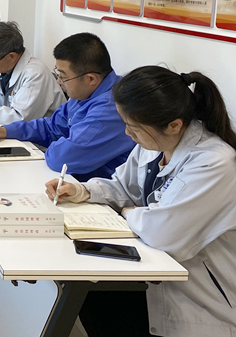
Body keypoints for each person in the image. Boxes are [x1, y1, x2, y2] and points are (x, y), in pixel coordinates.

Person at [47, 66, 236, 337]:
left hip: (198, 301)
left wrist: (129, 213)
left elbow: (164, 233)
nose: (127, 133)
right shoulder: (155, 143)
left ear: (174, 125)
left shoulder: (214, 163)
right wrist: (82, 191)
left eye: (134, 127)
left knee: (90, 297)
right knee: (84, 294)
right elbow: (123, 186)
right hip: (152, 276)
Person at [0, 33, 134, 181]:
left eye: (63, 77)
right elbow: (51, 127)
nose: (59, 82)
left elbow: (61, 158)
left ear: (91, 79)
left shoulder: (109, 110)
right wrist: (6, 130)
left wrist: (58, 145)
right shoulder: (84, 94)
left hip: (97, 191)